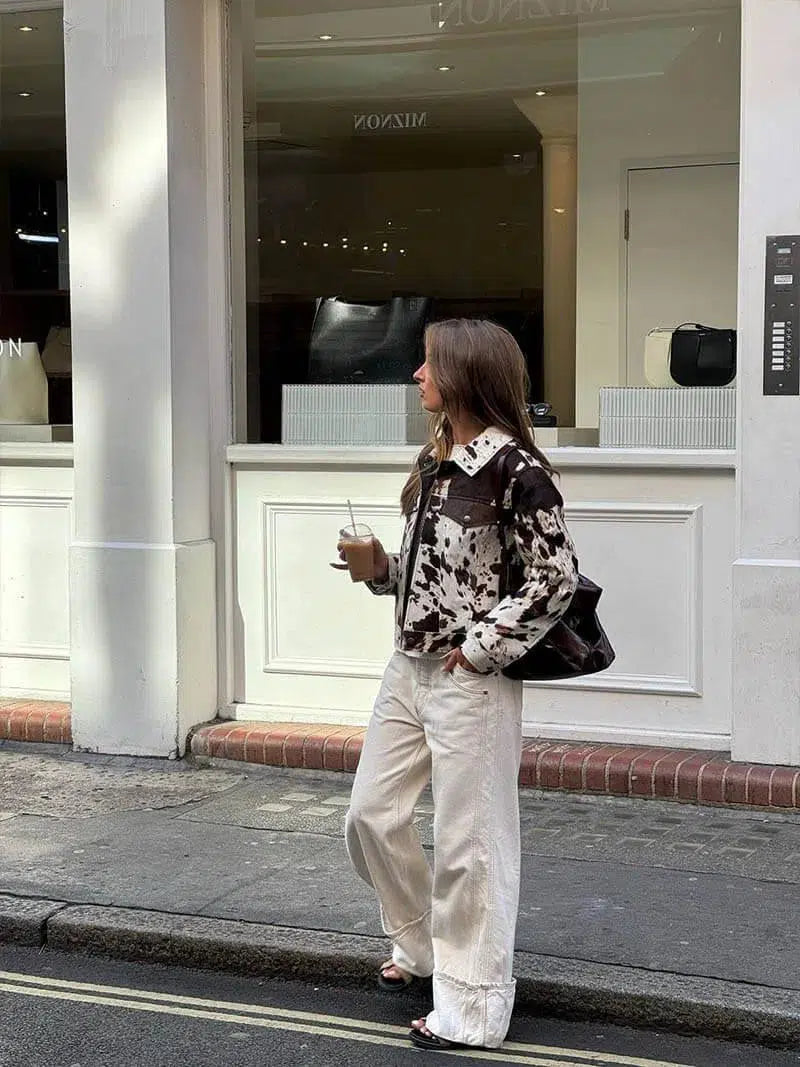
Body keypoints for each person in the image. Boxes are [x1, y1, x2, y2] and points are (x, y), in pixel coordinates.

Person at [337, 318, 579, 1052]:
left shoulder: (516, 470)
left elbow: (555, 578)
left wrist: (479, 650)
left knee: (471, 845)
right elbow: (433, 575)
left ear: (466, 373)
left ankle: (472, 1008)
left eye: (429, 362)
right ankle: (421, 947)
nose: (417, 374)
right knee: (369, 817)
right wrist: (381, 568)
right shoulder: (434, 459)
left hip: (470, 679)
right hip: (408, 667)